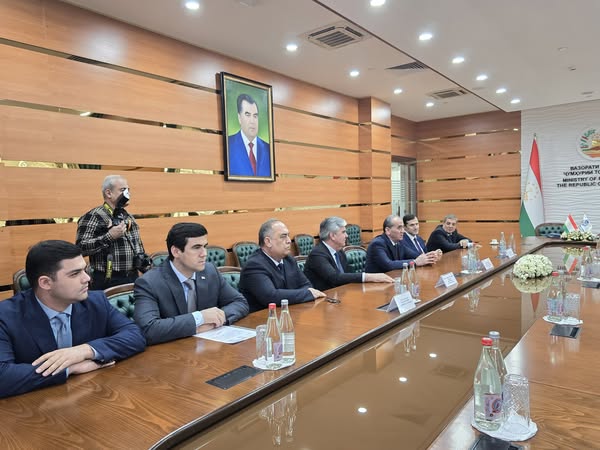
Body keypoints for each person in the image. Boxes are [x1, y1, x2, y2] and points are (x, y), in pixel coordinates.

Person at [0, 240, 145, 399]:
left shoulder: (96, 301)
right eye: (75, 274)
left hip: (92, 398)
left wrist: (84, 351)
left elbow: (135, 335)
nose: (87, 278)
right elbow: (3, 376)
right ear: (46, 282)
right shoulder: (6, 316)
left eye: (85, 270)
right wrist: (70, 368)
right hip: (32, 408)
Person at [133, 223, 249, 345]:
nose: (204, 253)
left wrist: (217, 318)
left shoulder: (210, 271)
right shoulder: (149, 282)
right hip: (171, 354)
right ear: (176, 251)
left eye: (205, 246)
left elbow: (240, 302)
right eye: (196, 247)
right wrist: (199, 318)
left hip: (209, 348)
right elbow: (148, 329)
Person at [76, 175, 149, 290]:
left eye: (128, 190)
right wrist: (109, 236)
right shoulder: (94, 216)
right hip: (106, 279)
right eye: (122, 190)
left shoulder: (127, 215)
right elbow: (80, 248)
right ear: (109, 193)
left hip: (133, 276)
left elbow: (138, 246)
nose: (127, 194)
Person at [239, 219, 326, 313]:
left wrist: (305, 293)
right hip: (262, 321)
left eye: (288, 236)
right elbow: (271, 297)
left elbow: (306, 285)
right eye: (283, 237)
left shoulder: (288, 260)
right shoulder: (254, 265)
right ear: (268, 242)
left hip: (289, 313)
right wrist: (307, 293)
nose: (289, 241)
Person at [304, 217, 393, 291]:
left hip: (341, 296)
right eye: (343, 232)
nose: (347, 235)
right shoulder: (317, 254)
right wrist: (369, 277)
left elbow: (347, 276)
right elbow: (334, 278)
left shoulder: (340, 252)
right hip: (323, 304)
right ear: (332, 236)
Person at [365, 215, 437, 273]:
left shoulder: (399, 242)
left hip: (393, 280)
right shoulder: (377, 244)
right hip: (375, 286)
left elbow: (416, 256)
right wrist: (414, 262)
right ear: (388, 230)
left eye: (403, 227)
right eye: (399, 228)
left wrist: (430, 257)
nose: (403, 231)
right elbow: (388, 265)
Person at [227, 93, 272, 177]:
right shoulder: (228, 145)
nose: (252, 121)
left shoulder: (268, 149)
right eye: (248, 115)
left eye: (255, 116)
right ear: (239, 118)